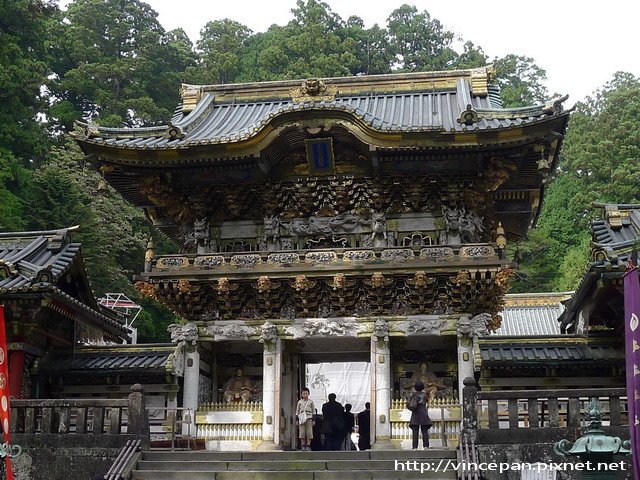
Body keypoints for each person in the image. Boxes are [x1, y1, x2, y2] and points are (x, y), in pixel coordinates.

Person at [407, 380, 433, 450]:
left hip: (415, 413)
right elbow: (427, 400)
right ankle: (426, 446)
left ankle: (415, 447)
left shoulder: (413, 394)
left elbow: (408, 403)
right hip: (423, 413)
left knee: (415, 431)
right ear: (422, 387)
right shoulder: (424, 395)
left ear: (415, 387)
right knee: (424, 431)